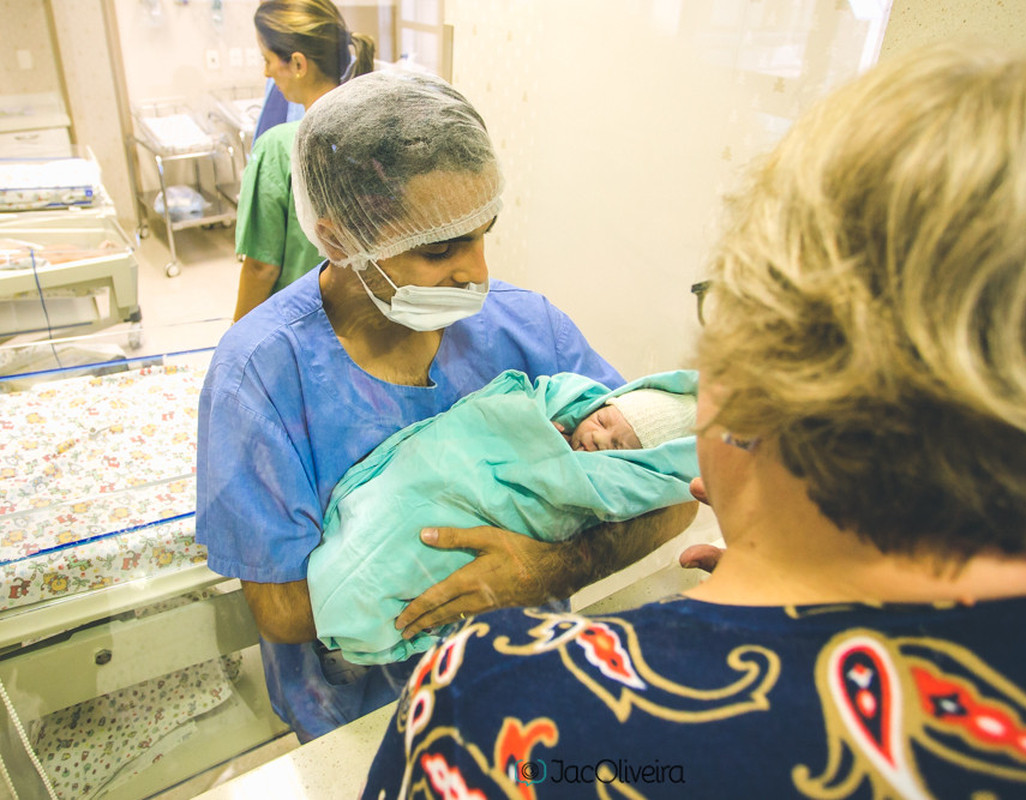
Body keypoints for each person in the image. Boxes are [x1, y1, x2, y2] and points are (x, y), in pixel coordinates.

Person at [360, 45, 1026, 798]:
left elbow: (641, 491)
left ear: (773, 359)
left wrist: (570, 555)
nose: (475, 271)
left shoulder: (491, 716)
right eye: (442, 246)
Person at [195, 70, 697, 743]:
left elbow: (673, 495)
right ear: (339, 237)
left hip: (524, 685)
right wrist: (432, 566)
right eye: (440, 249)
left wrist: (551, 567)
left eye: (481, 234)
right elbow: (283, 609)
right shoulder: (261, 377)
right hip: (363, 720)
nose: (476, 273)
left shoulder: (527, 331)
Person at [309, 369, 698, 665]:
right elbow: (485, 426)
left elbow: (675, 505)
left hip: (494, 653)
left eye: (618, 447)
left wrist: (554, 566)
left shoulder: (606, 481)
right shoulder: (550, 407)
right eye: (601, 423)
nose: (599, 440)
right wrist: (534, 431)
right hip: (416, 495)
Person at [232, 0, 376, 321]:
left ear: (298, 64)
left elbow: (260, 267)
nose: (266, 71)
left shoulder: (281, 148)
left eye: (267, 60)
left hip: (298, 326)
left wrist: (236, 339)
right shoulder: (378, 138)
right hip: (367, 323)